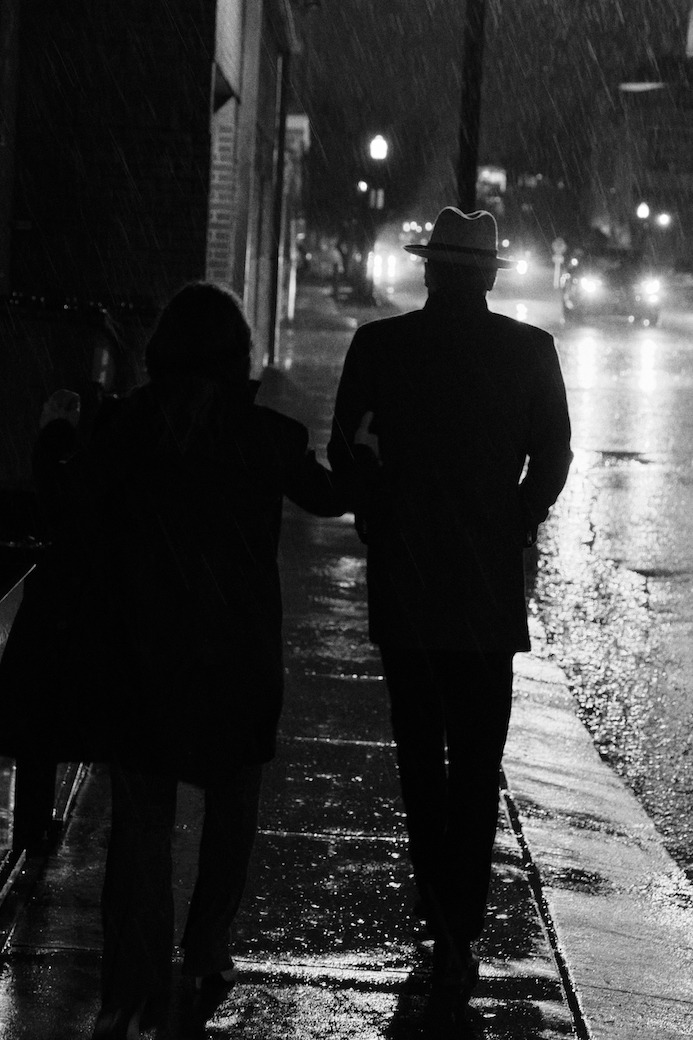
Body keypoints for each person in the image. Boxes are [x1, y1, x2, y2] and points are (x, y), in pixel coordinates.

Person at [0, 282, 350, 1039]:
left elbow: (64, 504)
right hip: (234, 658)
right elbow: (331, 496)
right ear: (237, 355)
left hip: (145, 657)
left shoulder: (127, 427)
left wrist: (57, 434)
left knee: (142, 823)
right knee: (232, 811)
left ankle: (131, 988)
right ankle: (206, 948)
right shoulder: (267, 437)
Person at [328, 208, 572, 1019]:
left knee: (416, 752)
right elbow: (553, 455)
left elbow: (345, 450)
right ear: (492, 275)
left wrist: (378, 512)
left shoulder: (381, 347)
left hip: (407, 579)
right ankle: (460, 929)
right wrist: (512, 518)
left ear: (430, 272)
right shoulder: (528, 351)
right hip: (482, 589)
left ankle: (435, 905)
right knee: (475, 761)